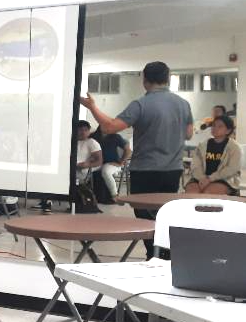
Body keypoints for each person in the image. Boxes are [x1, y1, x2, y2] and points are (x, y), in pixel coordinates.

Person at [80, 61, 193, 256]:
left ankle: (154, 254)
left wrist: (92, 107)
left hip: (146, 169)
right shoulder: (183, 104)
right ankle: (166, 253)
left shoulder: (141, 104)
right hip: (173, 170)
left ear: (145, 80)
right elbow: (189, 134)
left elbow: (109, 127)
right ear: (167, 79)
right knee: (164, 213)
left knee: (144, 214)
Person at [184, 116, 241, 195]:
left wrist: (210, 179)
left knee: (209, 193)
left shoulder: (234, 147)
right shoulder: (202, 145)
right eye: (213, 125)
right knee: (192, 192)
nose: (215, 128)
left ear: (228, 130)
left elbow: (232, 169)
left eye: (220, 126)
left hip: (224, 179)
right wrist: (203, 179)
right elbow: (195, 165)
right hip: (201, 178)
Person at [91, 127, 131, 203]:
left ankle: (114, 195)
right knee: (83, 171)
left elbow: (128, 150)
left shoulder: (116, 137)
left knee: (106, 171)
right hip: (97, 163)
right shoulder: (93, 136)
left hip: (112, 163)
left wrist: (121, 163)